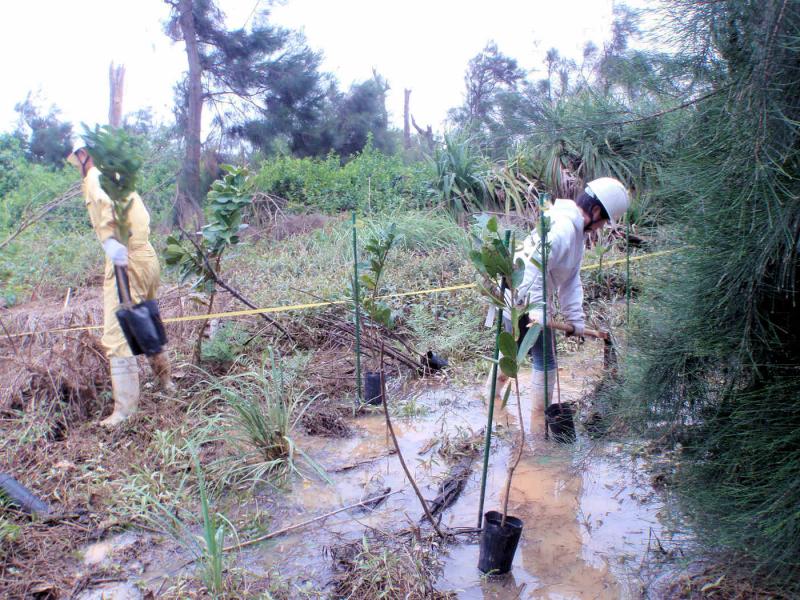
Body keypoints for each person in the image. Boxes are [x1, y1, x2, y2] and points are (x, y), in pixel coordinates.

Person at [485, 177, 630, 422]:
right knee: (543, 357)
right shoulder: (563, 227)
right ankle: (539, 419)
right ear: (595, 211)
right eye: (604, 221)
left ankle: (492, 401)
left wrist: (576, 320)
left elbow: (571, 281)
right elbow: (532, 266)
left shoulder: (576, 236)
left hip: (527, 302)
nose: (601, 227)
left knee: (516, 353)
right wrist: (539, 310)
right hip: (520, 301)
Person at [67, 141, 175, 426]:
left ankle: (124, 412)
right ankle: (166, 384)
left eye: (76, 157)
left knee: (117, 336)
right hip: (146, 254)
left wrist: (112, 244)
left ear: (83, 154)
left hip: (125, 259)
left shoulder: (95, 177)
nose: (77, 164)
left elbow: (109, 210)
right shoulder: (116, 174)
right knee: (145, 317)